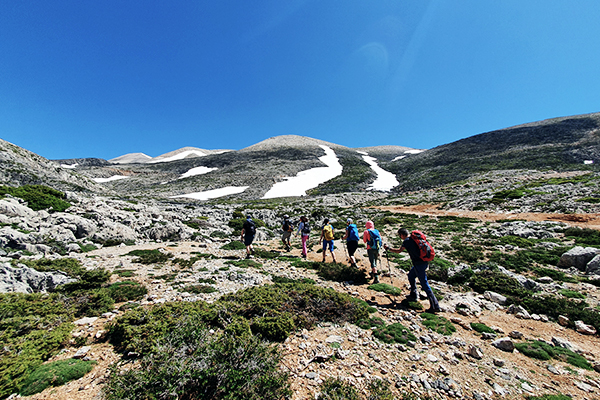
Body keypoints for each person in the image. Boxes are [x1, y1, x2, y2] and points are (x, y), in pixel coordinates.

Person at [384, 228, 441, 313]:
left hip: (419, 264)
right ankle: (413, 294)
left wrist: (388, 248)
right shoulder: (414, 239)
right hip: (424, 262)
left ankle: (435, 305)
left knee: (424, 284)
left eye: (400, 236)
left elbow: (399, 251)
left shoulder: (407, 241)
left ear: (402, 235)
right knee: (411, 275)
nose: (400, 237)